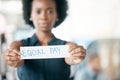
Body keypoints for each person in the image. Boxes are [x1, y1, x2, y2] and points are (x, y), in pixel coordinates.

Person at [4, 0, 86, 80]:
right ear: (30, 14)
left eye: (50, 11)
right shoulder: (18, 45)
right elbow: (15, 57)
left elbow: (71, 56)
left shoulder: (67, 46)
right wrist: (13, 59)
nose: (43, 17)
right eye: (38, 11)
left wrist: (75, 56)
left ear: (57, 15)